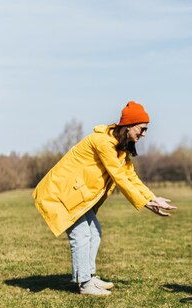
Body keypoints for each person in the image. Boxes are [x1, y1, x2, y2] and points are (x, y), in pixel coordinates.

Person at [33, 101, 177, 296]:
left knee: (95, 230)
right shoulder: (102, 143)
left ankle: (88, 276)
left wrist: (152, 198)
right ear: (128, 126)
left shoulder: (119, 147)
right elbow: (118, 177)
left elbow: (130, 177)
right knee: (82, 234)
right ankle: (84, 284)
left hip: (74, 195)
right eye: (142, 129)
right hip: (60, 193)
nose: (144, 134)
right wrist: (145, 203)